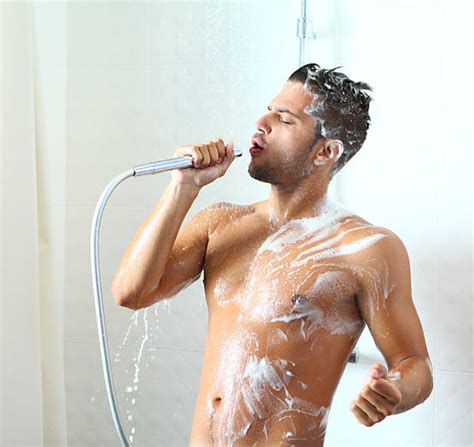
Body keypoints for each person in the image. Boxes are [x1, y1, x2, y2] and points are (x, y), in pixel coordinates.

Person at [111, 63, 433, 446]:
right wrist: (183, 187)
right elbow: (130, 293)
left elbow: (415, 364)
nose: (261, 122)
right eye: (268, 110)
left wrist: (395, 391)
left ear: (325, 152)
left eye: (283, 119)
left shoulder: (364, 249)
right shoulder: (221, 224)